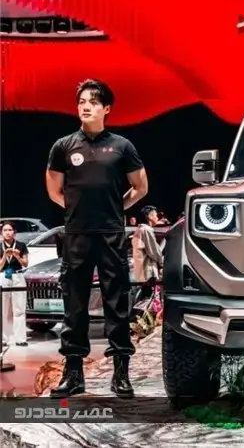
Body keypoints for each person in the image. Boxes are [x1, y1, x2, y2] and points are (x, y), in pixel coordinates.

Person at [45, 79, 148, 398]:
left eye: (92, 101)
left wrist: (116, 208)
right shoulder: (63, 146)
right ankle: (73, 375)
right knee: (74, 306)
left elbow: (141, 188)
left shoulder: (122, 146)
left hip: (111, 236)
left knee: (117, 304)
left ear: (106, 108)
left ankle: (121, 374)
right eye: (81, 101)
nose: (85, 106)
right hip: (76, 236)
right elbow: (54, 190)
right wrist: (77, 211)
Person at [1, 221, 29, 347]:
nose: (8, 233)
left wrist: (17, 256)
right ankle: (3, 339)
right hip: (3, 276)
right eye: (5, 230)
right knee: (3, 309)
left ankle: (20, 339)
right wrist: (4, 256)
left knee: (19, 309)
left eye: (10, 230)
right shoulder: (0, 246)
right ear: (1, 233)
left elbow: (25, 264)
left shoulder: (21, 245)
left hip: (18, 276)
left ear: (14, 232)